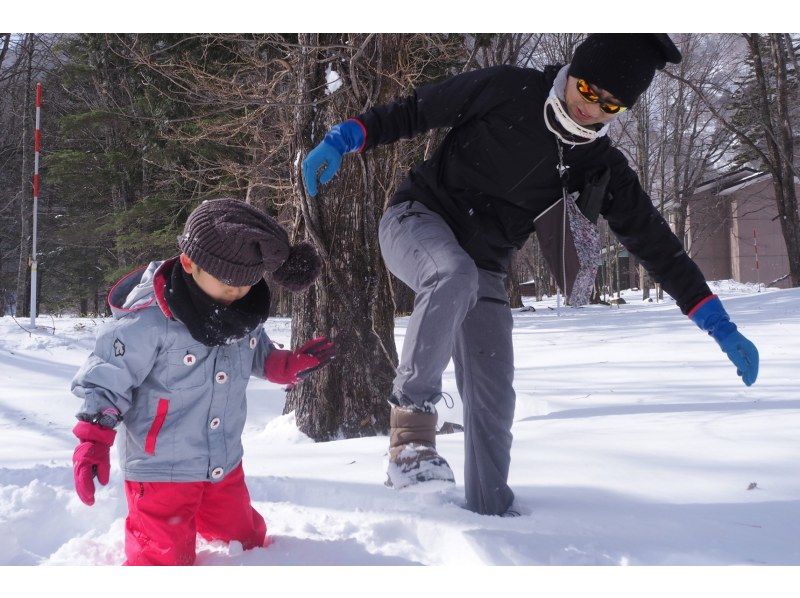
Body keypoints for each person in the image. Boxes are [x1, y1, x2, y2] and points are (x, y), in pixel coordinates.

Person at [301, 34, 759, 517]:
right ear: (573, 74)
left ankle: (492, 516)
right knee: (452, 275)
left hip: (485, 269)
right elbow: (418, 109)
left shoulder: (600, 167)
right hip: (417, 221)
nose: (592, 108)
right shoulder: (509, 89)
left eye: (611, 105)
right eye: (588, 90)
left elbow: (658, 248)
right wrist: (344, 137)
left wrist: (719, 325)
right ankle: (411, 438)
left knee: (494, 398)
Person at [69, 198, 335, 565]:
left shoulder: (241, 307)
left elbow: (254, 350)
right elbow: (106, 379)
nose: (238, 294)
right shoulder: (147, 322)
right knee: (163, 560)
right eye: (229, 284)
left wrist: (282, 364)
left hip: (222, 464)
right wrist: (93, 441)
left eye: (248, 284)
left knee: (249, 542)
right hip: (161, 469)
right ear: (190, 263)